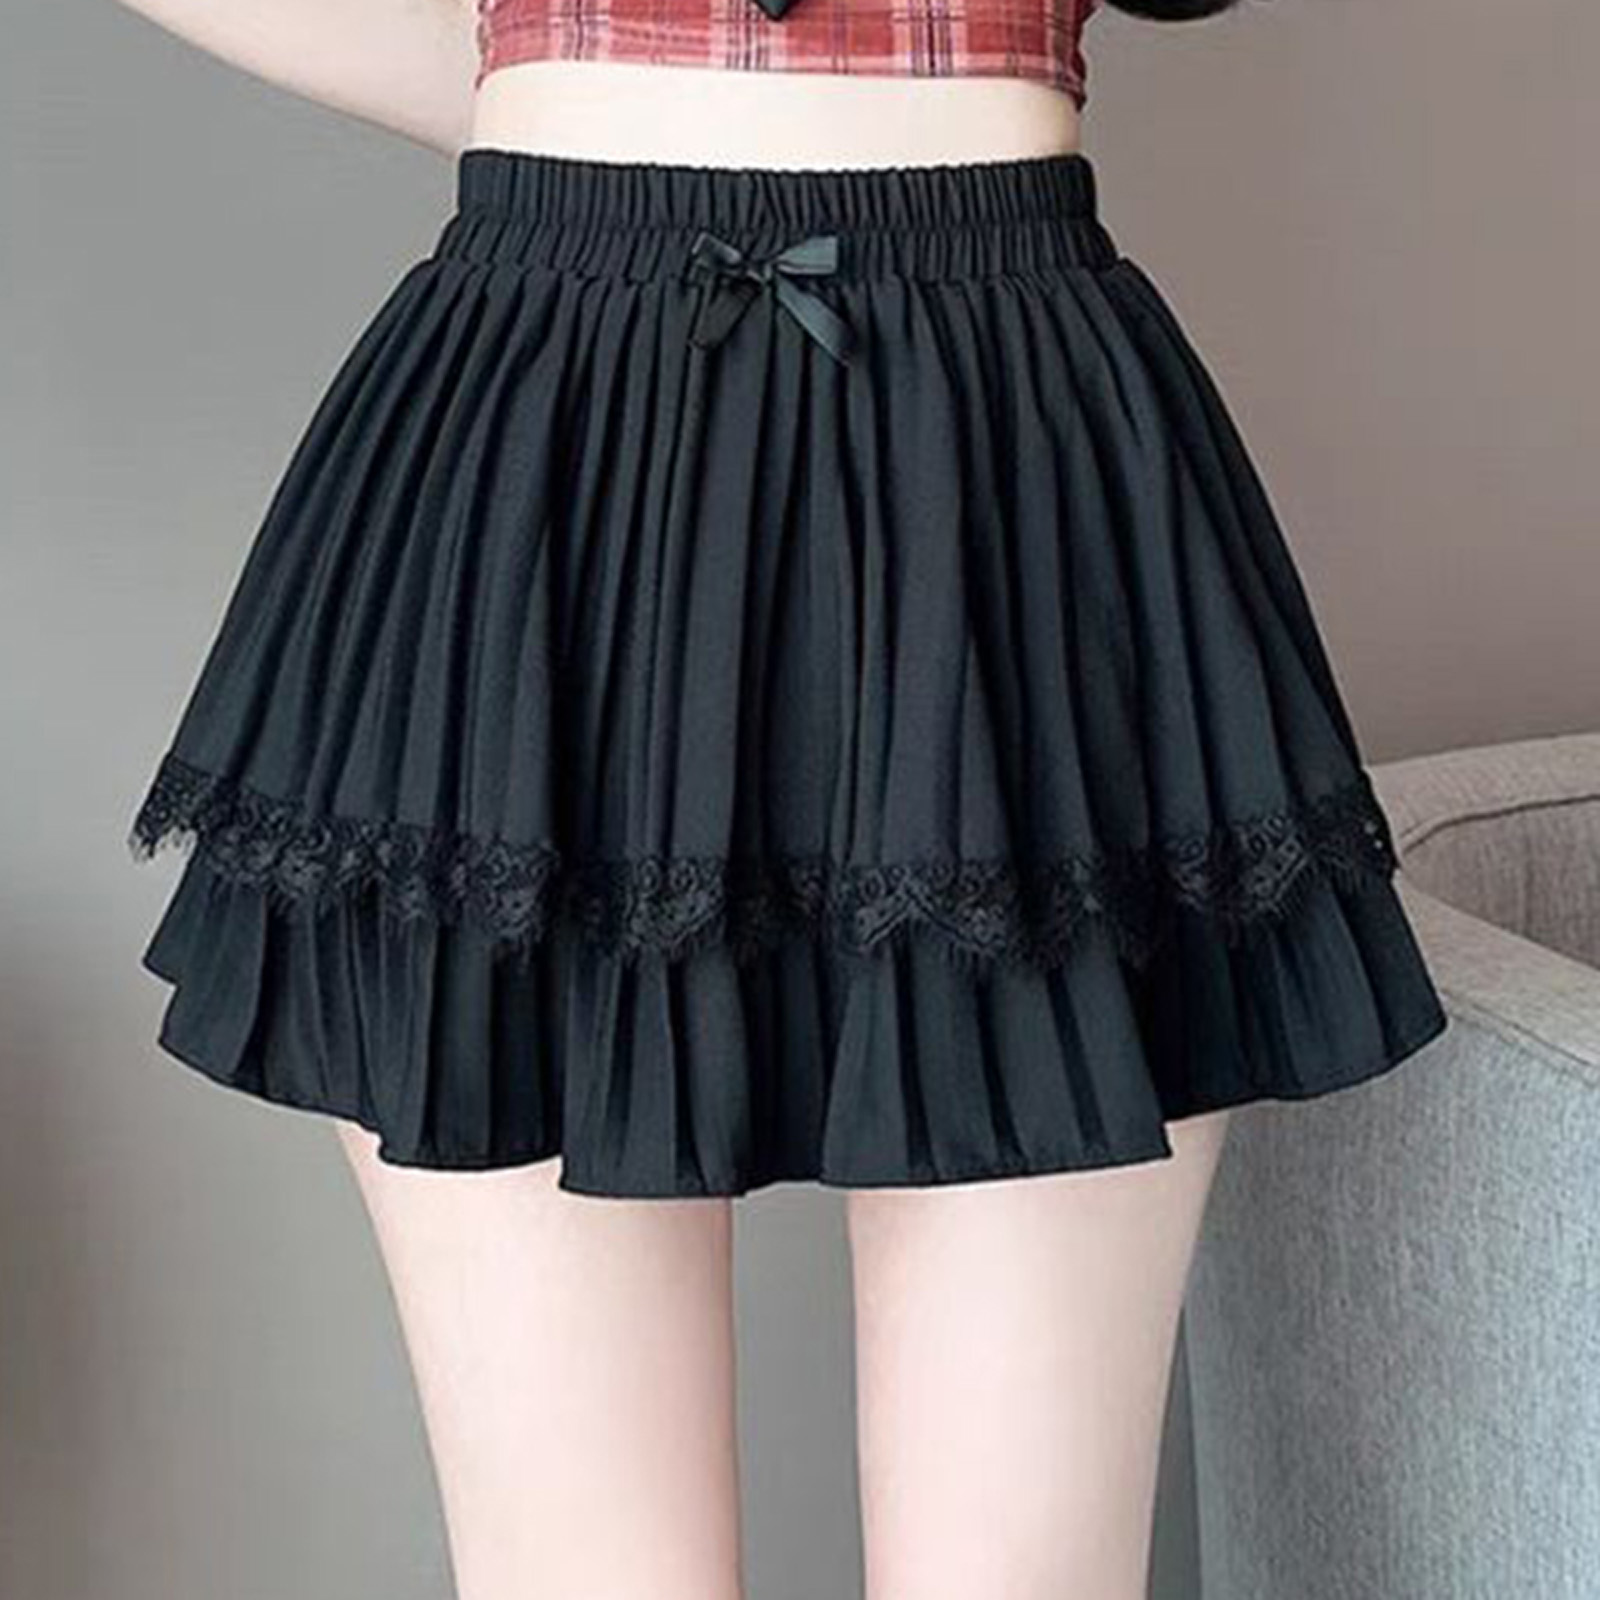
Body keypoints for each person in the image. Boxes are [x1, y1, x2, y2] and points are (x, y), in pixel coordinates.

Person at [118, 0, 1450, 1594]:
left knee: (1019, 1571)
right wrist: (555, 62)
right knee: (581, 1572)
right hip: (550, 439)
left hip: (1007, 445)